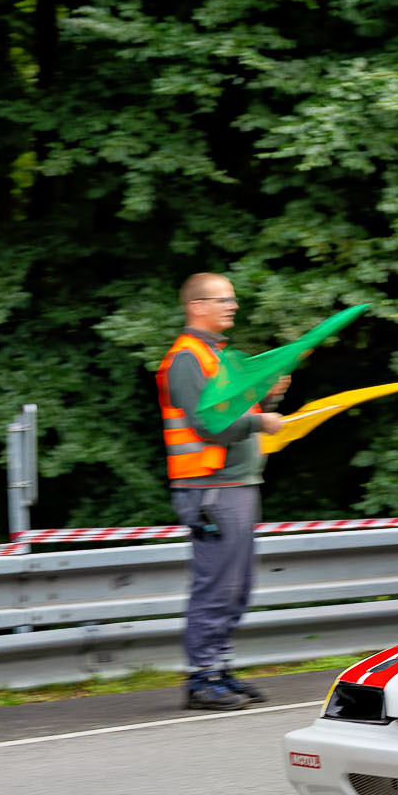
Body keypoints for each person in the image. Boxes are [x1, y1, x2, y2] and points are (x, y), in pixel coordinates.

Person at [158, 273, 289, 711]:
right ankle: (202, 678)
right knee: (218, 584)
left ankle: (218, 667)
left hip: (236, 485)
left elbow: (234, 414)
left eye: (233, 299)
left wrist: (267, 398)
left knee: (237, 587)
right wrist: (261, 420)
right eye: (223, 299)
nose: (233, 305)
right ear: (197, 306)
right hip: (210, 488)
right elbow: (209, 425)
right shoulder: (187, 358)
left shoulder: (219, 356)